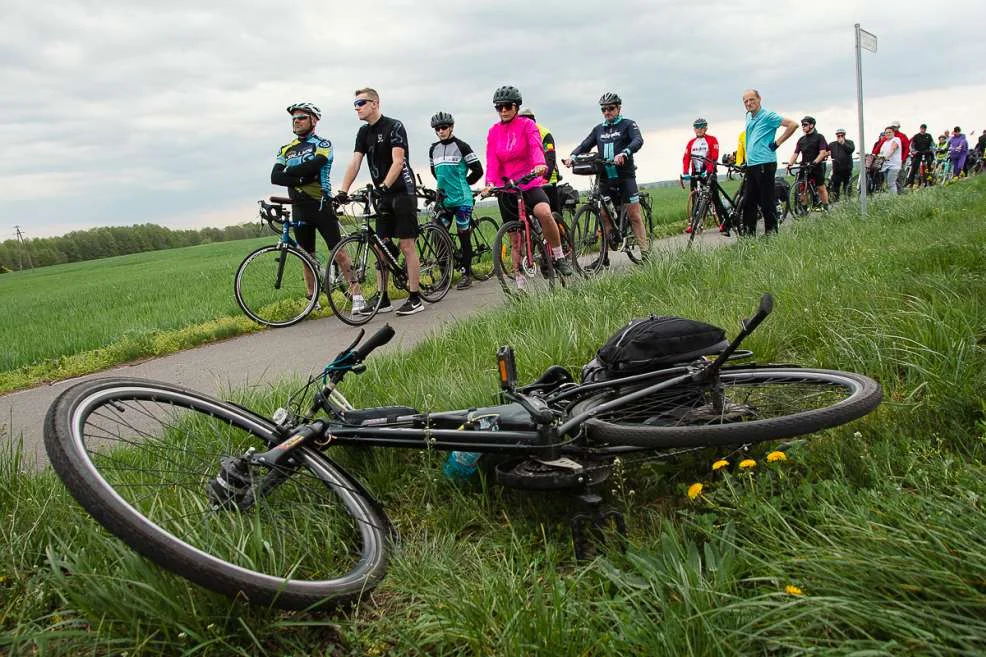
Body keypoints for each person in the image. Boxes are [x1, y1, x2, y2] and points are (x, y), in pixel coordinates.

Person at [337, 88, 423, 316]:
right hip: (382, 195)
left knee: (406, 245)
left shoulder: (394, 126)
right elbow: (355, 162)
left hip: (402, 191)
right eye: (355, 104)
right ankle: (383, 298)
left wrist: (384, 186)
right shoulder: (363, 133)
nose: (357, 107)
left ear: (375, 103)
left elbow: (398, 161)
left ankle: (415, 298)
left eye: (361, 102)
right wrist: (343, 191)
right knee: (381, 247)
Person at [481, 85, 574, 290]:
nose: (503, 110)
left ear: (516, 106)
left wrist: (540, 165)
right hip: (507, 188)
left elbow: (535, 147)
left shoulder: (526, 126)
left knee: (544, 211)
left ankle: (559, 256)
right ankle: (520, 285)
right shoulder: (494, 132)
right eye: (499, 107)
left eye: (507, 106)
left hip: (529, 181)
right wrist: (490, 184)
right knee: (515, 240)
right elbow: (492, 161)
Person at [271, 101, 352, 303]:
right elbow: (275, 177)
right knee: (307, 257)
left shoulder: (322, 144)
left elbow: (317, 165)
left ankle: (357, 296)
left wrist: (290, 172)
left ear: (313, 120)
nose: (296, 122)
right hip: (298, 207)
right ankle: (312, 299)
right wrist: (301, 177)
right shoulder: (285, 148)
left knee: (339, 253)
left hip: (321, 203)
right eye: (294, 119)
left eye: (301, 118)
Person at [563, 91, 650, 257]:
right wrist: (572, 156)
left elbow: (637, 140)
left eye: (610, 108)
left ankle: (645, 253)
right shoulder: (599, 129)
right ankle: (606, 252)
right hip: (605, 177)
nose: (607, 112)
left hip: (625, 176)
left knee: (634, 215)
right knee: (603, 213)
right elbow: (585, 145)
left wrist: (625, 153)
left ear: (618, 108)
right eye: (603, 109)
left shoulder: (628, 124)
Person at [428, 111, 484, 290]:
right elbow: (435, 172)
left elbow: (478, 170)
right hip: (444, 200)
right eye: (437, 129)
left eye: (444, 127)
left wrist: (464, 184)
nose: (441, 131)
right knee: (438, 234)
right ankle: (445, 275)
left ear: (451, 127)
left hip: (462, 200)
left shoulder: (462, 146)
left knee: (463, 235)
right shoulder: (433, 149)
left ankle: (467, 274)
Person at [740, 89, 798, 235]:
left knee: (766, 201)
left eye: (752, 99)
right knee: (748, 202)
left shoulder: (768, 116)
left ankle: (771, 235)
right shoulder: (748, 117)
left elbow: (793, 125)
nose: (749, 103)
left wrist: (777, 142)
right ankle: (749, 236)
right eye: (746, 101)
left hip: (765, 163)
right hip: (752, 164)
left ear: (759, 99)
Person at [680, 118, 729, 233]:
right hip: (695, 173)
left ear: (706, 128)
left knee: (715, 198)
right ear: (694, 129)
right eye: (697, 127)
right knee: (695, 199)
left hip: (708, 172)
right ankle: (694, 224)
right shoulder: (691, 143)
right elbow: (686, 158)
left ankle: (724, 222)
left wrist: (709, 170)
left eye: (702, 127)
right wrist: (685, 172)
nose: (699, 129)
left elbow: (714, 156)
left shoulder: (712, 140)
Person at [518, 108, 562, 213]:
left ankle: (561, 229)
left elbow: (550, 158)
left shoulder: (544, 133)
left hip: (548, 179)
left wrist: (545, 178)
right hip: (528, 181)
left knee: (552, 215)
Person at [786, 116, 830, 209]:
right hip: (804, 166)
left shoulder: (819, 137)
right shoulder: (801, 140)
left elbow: (822, 153)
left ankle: (826, 207)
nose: (803, 127)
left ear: (812, 125)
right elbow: (795, 153)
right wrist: (790, 163)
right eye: (802, 125)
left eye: (805, 125)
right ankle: (804, 209)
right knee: (802, 188)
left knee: (821, 188)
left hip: (816, 166)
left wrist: (815, 162)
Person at [828, 128, 855, 201]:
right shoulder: (832, 144)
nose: (840, 137)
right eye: (838, 135)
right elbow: (826, 152)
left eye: (841, 135)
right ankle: (836, 201)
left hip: (847, 168)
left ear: (844, 135)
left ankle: (848, 200)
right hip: (837, 169)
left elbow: (850, 150)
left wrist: (843, 143)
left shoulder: (850, 142)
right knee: (835, 186)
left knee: (847, 186)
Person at [878, 126, 902, 194]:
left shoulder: (896, 139)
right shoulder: (885, 143)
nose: (888, 134)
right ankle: (895, 195)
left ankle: (893, 199)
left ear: (893, 133)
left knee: (891, 183)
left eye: (889, 132)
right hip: (886, 165)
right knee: (889, 183)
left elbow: (893, 149)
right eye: (886, 133)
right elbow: (881, 153)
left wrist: (886, 157)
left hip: (894, 165)